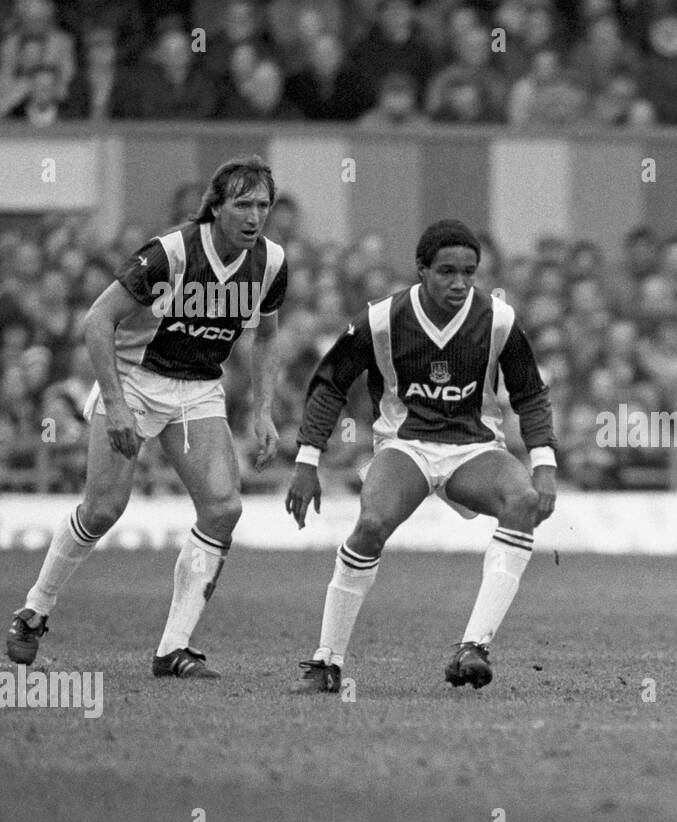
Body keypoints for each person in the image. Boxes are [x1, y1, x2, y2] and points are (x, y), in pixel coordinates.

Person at [7, 156, 288, 677]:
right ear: (216, 207)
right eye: (243, 204)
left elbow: (266, 335)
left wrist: (264, 410)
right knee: (102, 510)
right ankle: (34, 612)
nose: (255, 216)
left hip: (198, 388)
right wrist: (114, 404)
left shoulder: (269, 261)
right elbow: (98, 320)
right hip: (134, 379)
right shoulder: (172, 252)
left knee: (224, 510)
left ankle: (173, 649)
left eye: (263, 205)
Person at [284, 219, 557, 694]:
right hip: (404, 445)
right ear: (421, 270)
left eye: (469, 272)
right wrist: (308, 461)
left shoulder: (499, 320)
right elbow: (330, 382)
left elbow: (530, 394)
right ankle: (326, 663)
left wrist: (545, 466)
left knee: (522, 500)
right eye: (447, 271)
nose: (459, 283)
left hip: (473, 448)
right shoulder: (382, 320)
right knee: (370, 525)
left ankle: (474, 646)